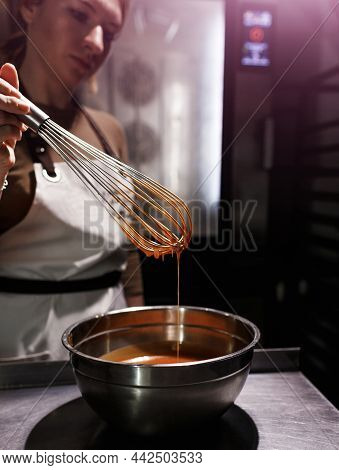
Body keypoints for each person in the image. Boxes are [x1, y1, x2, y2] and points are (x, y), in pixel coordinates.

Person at [0, 0, 144, 361]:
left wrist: (143, 333)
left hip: (113, 352)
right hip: (22, 362)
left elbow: (127, 251)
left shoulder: (109, 130)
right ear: (31, 7)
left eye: (110, 33)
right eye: (80, 15)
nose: (97, 43)